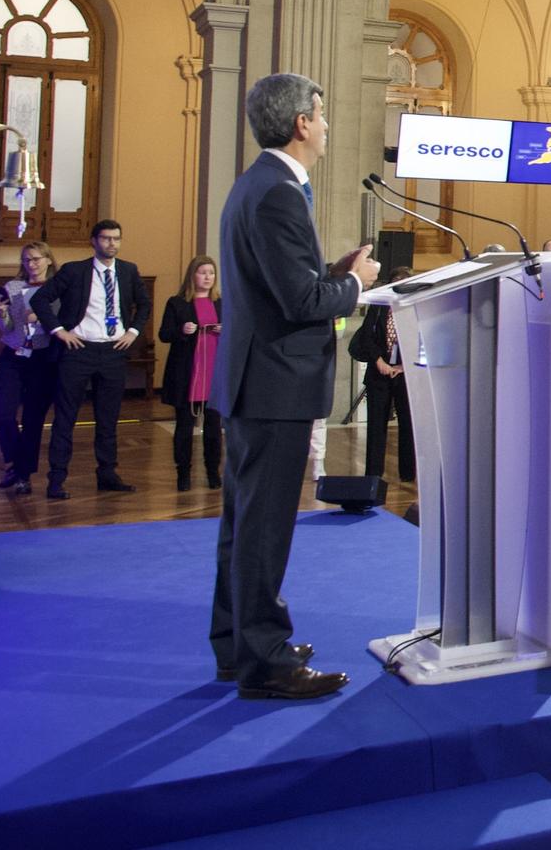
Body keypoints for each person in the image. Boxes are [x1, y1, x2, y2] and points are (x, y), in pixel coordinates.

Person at [209, 72, 378, 700]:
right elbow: (302, 299)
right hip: (274, 384)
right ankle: (266, 661)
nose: (328, 123)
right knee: (264, 527)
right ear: (301, 123)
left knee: (244, 522)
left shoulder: (257, 185)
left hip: (256, 380)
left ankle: (237, 645)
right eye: (322, 112)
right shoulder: (279, 192)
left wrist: (333, 273)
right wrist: (356, 283)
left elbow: (284, 284)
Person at [32, 219, 150, 498]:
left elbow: (144, 303)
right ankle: (57, 479)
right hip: (78, 351)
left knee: (108, 419)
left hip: (113, 352)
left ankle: (107, 473)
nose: (112, 244)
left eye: (117, 239)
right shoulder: (75, 271)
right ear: (94, 241)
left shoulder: (128, 270)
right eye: (107, 238)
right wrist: (60, 331)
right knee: (66, 417)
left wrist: (133, 331)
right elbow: (40, 299)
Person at [0, 240, 57, 496]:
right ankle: (14, 462)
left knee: (32, 419)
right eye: (27, 260)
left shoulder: (57, 288)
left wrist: (42, 316)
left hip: (42, 358)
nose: (31, 265)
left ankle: (23, 475)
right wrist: (1, 313)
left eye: (36, 259)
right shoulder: (14, 287)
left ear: (48, 260)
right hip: (14, 354)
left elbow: (64, 322)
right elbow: (7, 327)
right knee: (1, 412)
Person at [158, 255, 225, 492]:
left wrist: (224, 329)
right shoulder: (177, 303)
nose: (207, 277)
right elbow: (164, 334)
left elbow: (235, 334)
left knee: (214, 427)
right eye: (203, 272)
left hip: (214, 374)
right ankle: (183, 473)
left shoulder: (221, 303)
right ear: (192, 275)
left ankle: (213, 472)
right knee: (185, 426)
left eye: (211, 273)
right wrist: (182, 330)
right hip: (187, 373)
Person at [350, 268, 418, 486]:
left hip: (405, 373)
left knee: (408, 424)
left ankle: (408, 473)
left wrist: (404, 365)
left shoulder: (417, 308)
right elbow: (367, 336)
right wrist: (379, 361)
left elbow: (422, 339)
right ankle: (373, 473)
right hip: (378, 372)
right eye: (396, 281)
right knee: (376, 424)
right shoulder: (379, 307)